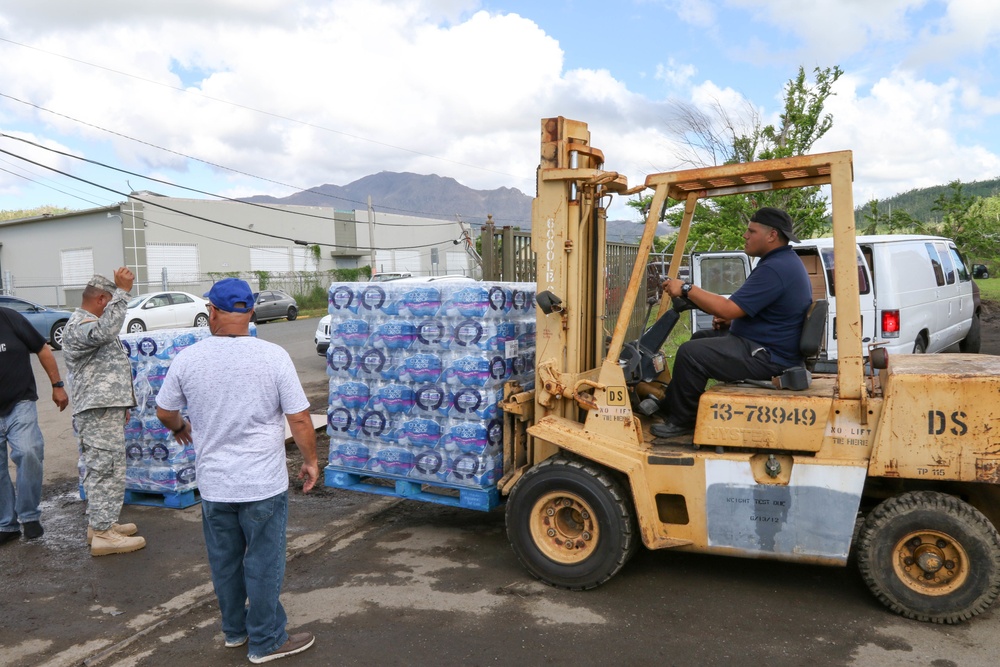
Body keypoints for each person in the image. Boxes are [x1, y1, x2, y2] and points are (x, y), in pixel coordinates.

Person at [156, 277, 319, 664]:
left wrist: (180, 428)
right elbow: (299, 419)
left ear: (212, 312)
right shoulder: (273, 356)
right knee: (263, 561)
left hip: (215, 485)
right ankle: (266, 640)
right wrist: (311, 462)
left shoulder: (188, 359)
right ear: (249, 312)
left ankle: (235, 631)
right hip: (262, 484)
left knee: (225, 562)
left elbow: (164, 410)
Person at [652, 207, 812, 438]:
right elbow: (748, 308)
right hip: (768, 345)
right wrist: (731, 322)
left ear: (772, 235)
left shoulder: (776, 268)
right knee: (700, 339)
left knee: (691, 353)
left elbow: (727, 307)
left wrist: (686, 288)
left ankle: (683, 421)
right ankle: (671, 407)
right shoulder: (780, 262)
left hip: (770, 356)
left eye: (751, 231)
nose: (745, 236)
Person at [63, 269, 145, 556]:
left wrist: (120, 404)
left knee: (105, 467)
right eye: (110, 303)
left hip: (103, 409)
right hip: (96, 412)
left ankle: (102, 524)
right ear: (101, 300)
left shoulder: (88, 323)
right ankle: (103, 533)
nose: (114, 310)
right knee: (105, 468)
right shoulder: (80, 325)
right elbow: (107, 330)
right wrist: (123, 293)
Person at [0, 307, 70, 543]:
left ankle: (29, 516)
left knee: (29, 451)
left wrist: (57, 385)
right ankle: (6, 525)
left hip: (19, 401)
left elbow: (42, 348)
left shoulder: (10, 317)